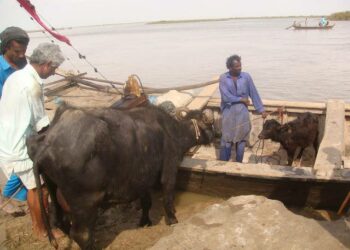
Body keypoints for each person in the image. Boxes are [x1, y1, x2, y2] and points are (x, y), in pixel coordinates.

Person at [0, 42, 65, 239]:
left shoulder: (17, 75)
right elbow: (41, 125)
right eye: (54, 68)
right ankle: (42, 230)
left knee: (32, 187)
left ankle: (38, 224)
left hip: (7, 137)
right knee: (40, 188)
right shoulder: (32, 85)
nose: (54, 73)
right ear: (46, 64)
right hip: (19, 146)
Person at [0, 26, 30, 215]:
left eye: (24, 51)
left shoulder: (24, 63)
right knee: (13, 161)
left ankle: (20, 195)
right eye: (17, 51)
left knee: (27, 158)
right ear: (6, 48)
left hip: (23, 119)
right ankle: (7, 197)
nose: (22, 55)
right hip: (6, 122)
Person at [219, 54, 266, 163]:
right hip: (228, 112)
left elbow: (254, 93)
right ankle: (223, 162)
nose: (240, 68)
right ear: (229, 68)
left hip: (242, 113)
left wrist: (261, 110)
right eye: (236, 67)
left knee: (241, 139)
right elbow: (226, 97)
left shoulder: (246, 77)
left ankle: (239, 161)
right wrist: (241, 99)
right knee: (227, 138)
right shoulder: (223, 78)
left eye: (240, 66)